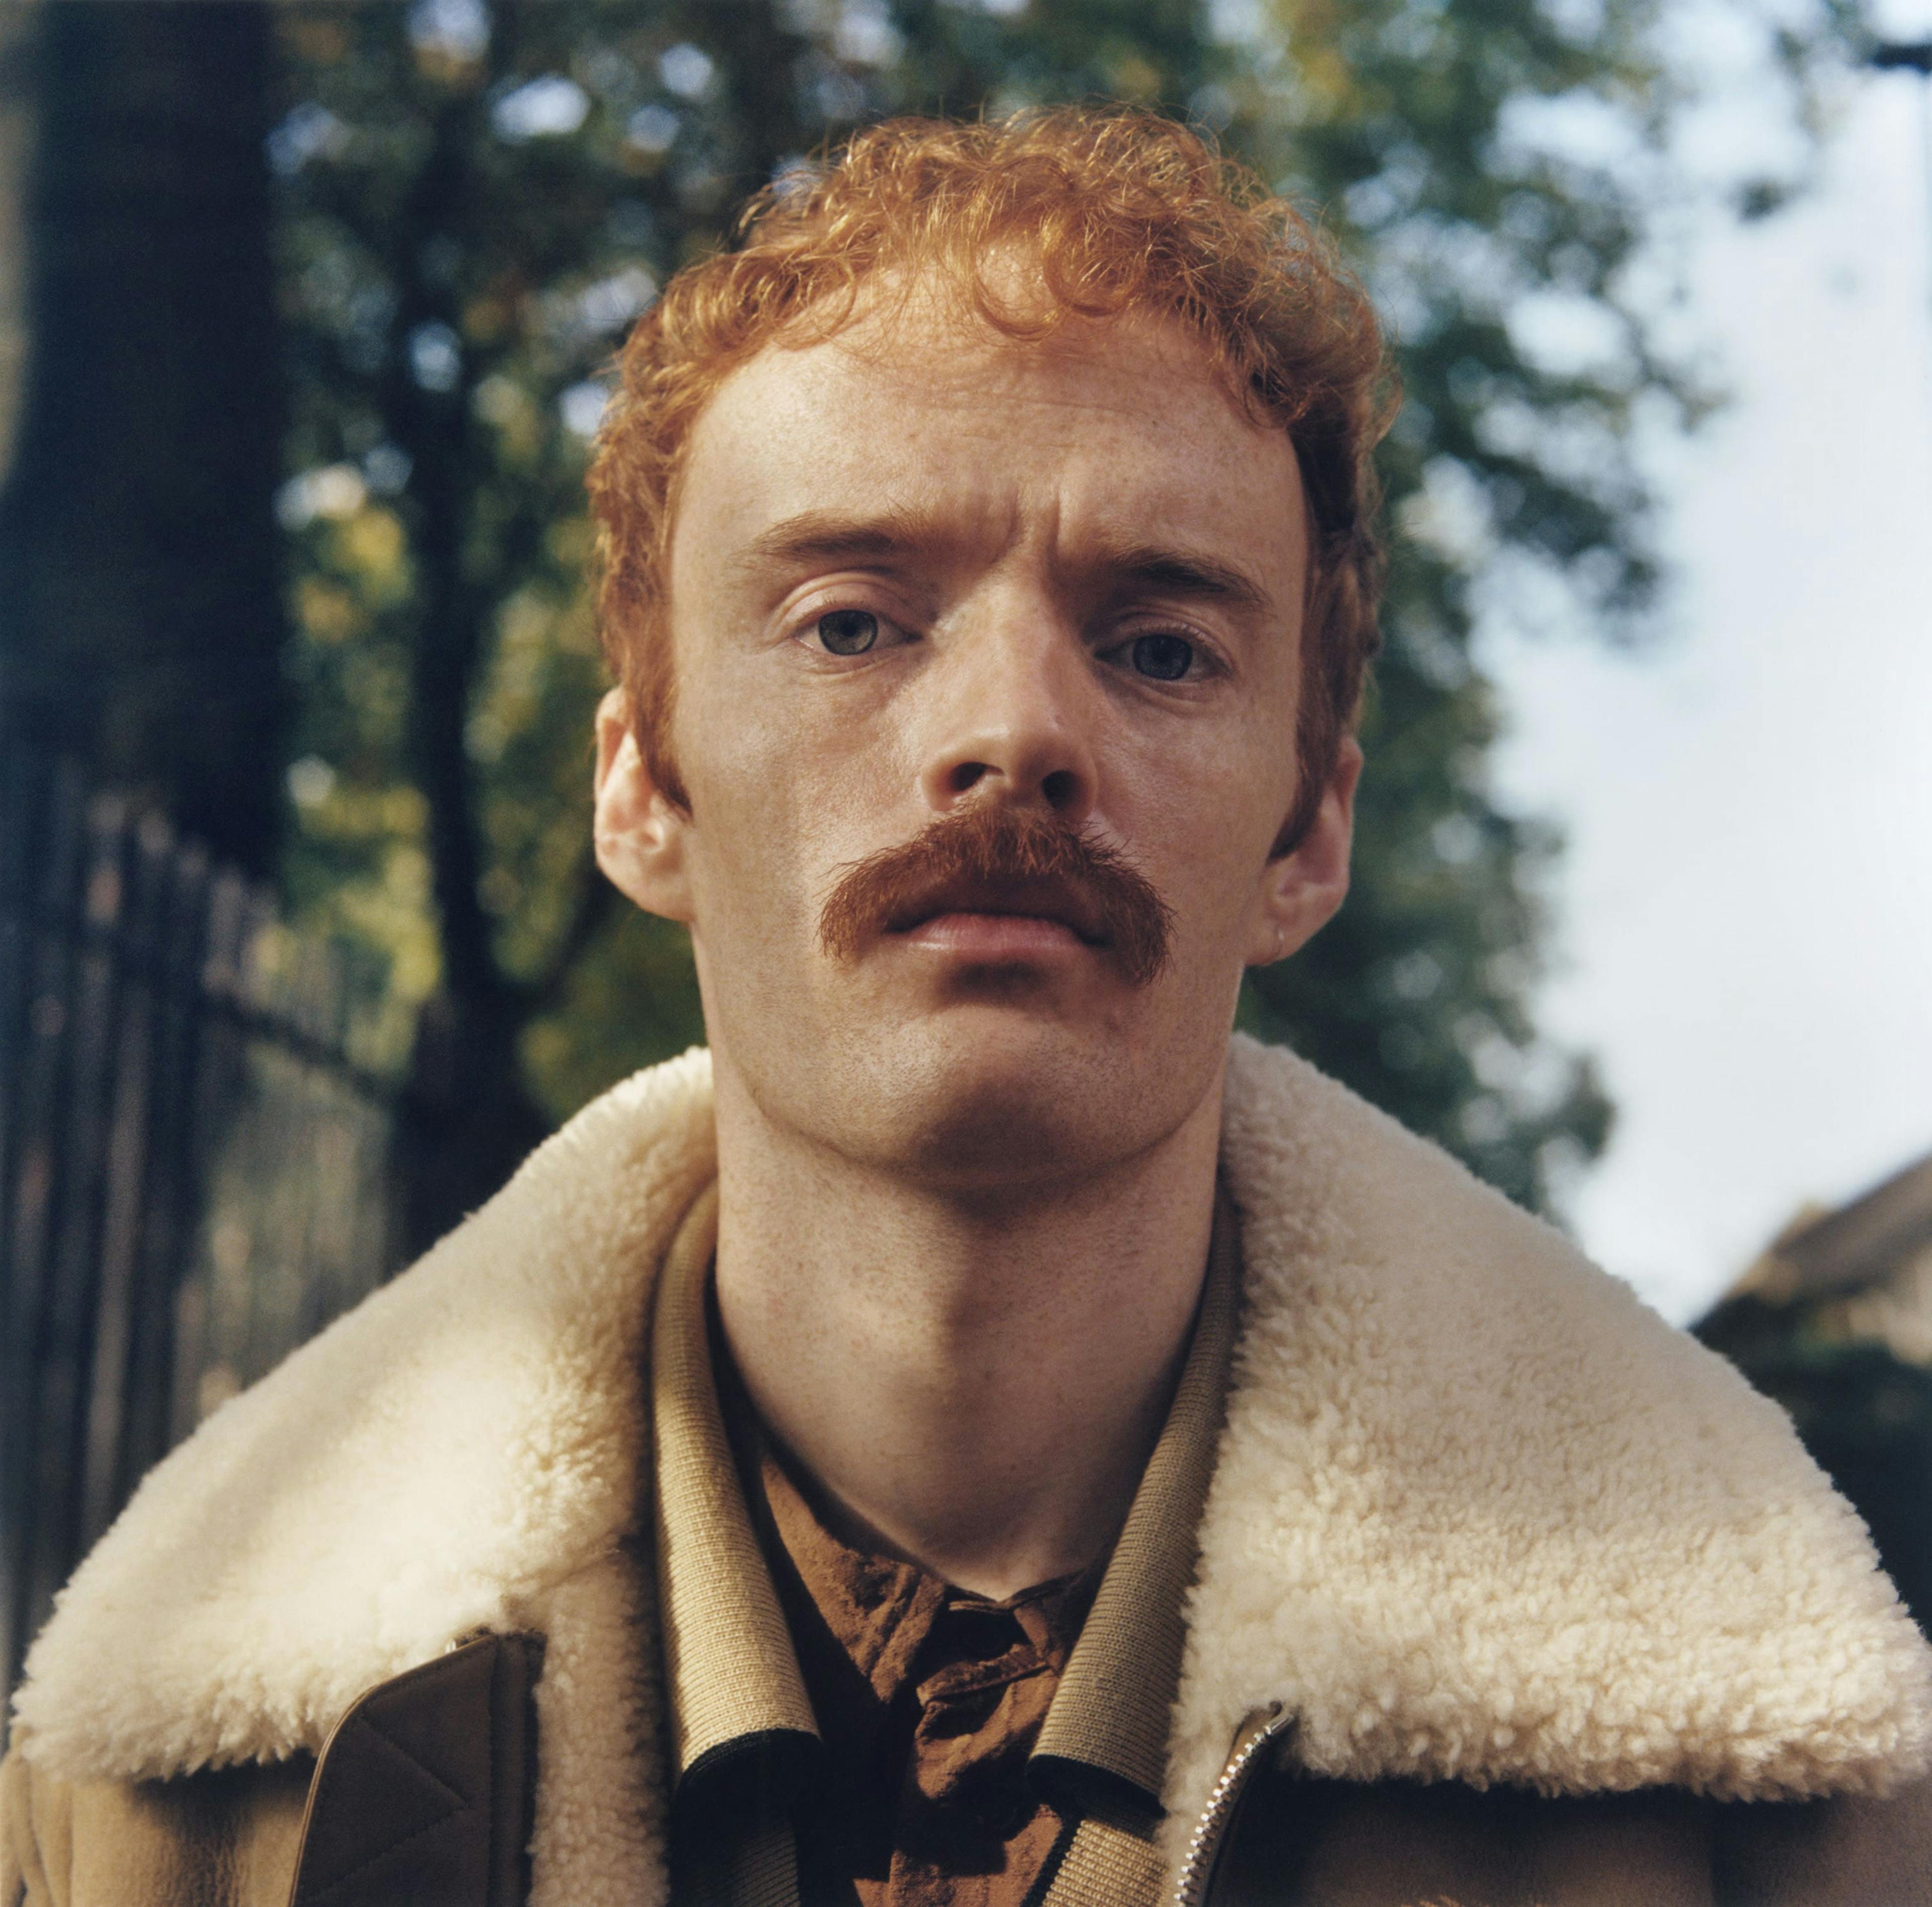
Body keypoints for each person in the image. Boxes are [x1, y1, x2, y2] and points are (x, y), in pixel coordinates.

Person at [4, 107, 1929, 1907]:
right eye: (854, 620)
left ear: (1309, 832)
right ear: (645, 789)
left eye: (1160, 644)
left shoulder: (1783, 1807)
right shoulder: (145, 1800)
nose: (1013, 734)